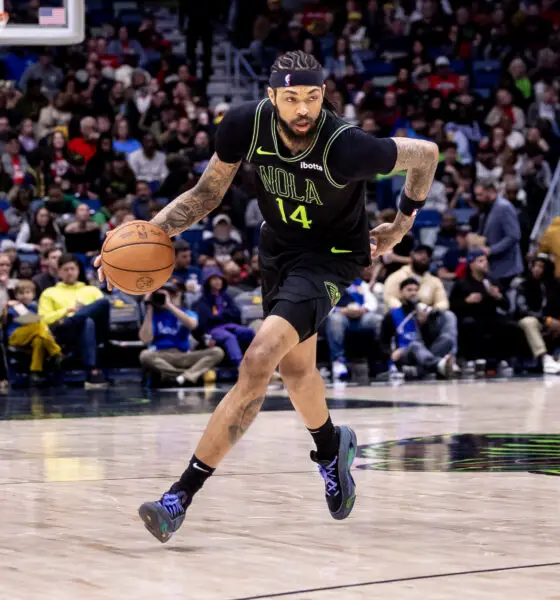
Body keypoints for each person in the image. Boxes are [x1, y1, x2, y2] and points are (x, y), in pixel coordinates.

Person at [95, 50, 439, 542]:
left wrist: (400, 225)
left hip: (330, 258)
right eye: (293, 98)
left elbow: (425, 154)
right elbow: (206, 194)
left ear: (325, 96)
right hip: (276, 251)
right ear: (272, 96)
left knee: (258, 359)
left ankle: (179, 495)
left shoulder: (347, 147)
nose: (304, 109)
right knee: (297, 371)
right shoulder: (243, 126)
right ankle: (330, 448)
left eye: (314, 98)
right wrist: (142, 237)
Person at [39, 254, 110, 386]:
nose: (69, 273)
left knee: (103, 303)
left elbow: (102, 312)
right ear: (59, 271)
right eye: (65, 269)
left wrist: (80, 313)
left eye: (72, 269)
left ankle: (75, 319)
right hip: (63, 331)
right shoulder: (49, 292)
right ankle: (92, 370)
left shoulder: (92, 290)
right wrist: (68, 311)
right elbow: (44, 319)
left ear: (78, 270)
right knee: (86, 321)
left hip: (94, 331)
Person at [139, 282, 224, 386]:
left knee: (217, 352)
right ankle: (184, 376)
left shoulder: (187, 312)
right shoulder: (155, 315)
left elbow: (192, 325)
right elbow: (145, 339)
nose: (169, 296)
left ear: (180, 294)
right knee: (144, 355)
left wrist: (169, 305)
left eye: (172, 293)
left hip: (184, 355)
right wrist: (150, 307)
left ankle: (179, 376)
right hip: (162, 355)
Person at [380, 278, 455, 379]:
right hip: (404, 352)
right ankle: (439, 365)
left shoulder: (424, 312)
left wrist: (424, 324)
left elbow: (430, 339)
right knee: (415, 345)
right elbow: (383, 341)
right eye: (409, 290)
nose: (413, 293)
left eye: (416, 290)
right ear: (401, 292)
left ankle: (419, 371)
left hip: (423, 352)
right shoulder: (392, 314)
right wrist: (390, 354)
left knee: (447, 339)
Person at [6, 280, 62, 384]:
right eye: (21, 293)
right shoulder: (14, 307)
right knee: (38, 326)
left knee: (39, 340)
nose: (25, 296)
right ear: (16, 295)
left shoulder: (36, 307)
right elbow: (28, 319)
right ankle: (56, 352)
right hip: (16, 337)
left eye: (28, 292)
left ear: (33, 294)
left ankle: (35, 372)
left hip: (33, 337)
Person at [474, 180, 523, 291]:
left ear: (491, 191)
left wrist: (491, 250)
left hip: (507, 269)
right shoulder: (487, 208)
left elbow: (514, 236)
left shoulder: (504, 207)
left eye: (480, 194)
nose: (478, 198)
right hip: (494, 268)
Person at [516, 254, 560, 374]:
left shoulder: (556, 285)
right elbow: (522, 309)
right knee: (529, 321)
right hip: (535, 320)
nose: (536, 269)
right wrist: (546, 320)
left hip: (553, 321)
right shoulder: (523, 284)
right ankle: (544, 357)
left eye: (540, 266)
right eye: (534, 266)